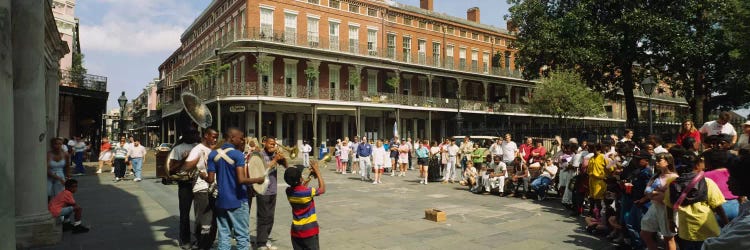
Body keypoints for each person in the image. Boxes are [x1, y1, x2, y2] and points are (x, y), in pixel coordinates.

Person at [207, 128, 265, 250]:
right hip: (238, 200)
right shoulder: (237, 154)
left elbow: (210, 180)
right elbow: (241, 180)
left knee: (223, 236)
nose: (243, 139)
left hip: (221, 201)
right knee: (242, 236)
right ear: (232, 138)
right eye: (241, 137)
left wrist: (203, 175)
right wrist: (258, 179)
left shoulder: (212, 154)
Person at [665, 154, 728, 250]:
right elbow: (717, 206)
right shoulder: (707, 182)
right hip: (707, 228)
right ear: (696, 165)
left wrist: (671, 221)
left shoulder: (672, 183)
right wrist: (727, 223)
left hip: (686, 230)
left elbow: (669, 205)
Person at [703, 150, 750, 250]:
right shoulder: (745, 207)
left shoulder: (746, 226)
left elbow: (715, 246)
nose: (728, 181)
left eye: (732, 177)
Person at [183, 128, 219, 250]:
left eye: (216, 137)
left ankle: (208, 243)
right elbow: (187, 166)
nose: (215, 139)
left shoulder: (213, 149)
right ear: (206, 136)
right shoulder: (197, 149)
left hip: (214, 188)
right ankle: (201, 243)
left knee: (213, 219)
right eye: (213, 137)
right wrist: (196, 160)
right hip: (201, 188)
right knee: (204, 219)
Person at [253, 136, 290, 250]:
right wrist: (274, 160)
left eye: (274, 144)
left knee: (270, 217)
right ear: (264, 143)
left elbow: (287, 167)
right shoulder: (259, 155)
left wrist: (283, 159)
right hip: (262, 190)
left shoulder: (275, 155)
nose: (273, 146)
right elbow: (263, 169)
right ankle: (260, 243)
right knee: (263, 217)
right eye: (270, 144)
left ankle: (265, 238)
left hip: (273, 189)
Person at [167, 130, 200, 249]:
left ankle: (199, 238)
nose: (196, 136)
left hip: (199, 183)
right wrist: (184, 159)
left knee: (201, 213)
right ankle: (185, 240)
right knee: (185, 214)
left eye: (196, 134)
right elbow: (170, 168)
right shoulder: (178, 149)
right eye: (193, 134)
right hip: (185, 183)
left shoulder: (199, 146)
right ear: (186, 135)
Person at [640, 153, 679, 250]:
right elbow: (646, 191)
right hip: (655, 207)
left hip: (666, 209)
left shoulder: (673, 177)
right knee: (645, 232)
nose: (656, 163)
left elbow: (666, 197)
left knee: (668, 238)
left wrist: (654, 193)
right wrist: (657, 192)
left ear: (668, 162)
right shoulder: (656, 175)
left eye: (659, 160)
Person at [284, 162, 326, 250]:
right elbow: (322, 189)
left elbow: (300, 189)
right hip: (309, 231)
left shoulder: (288, 191)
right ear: (300, 179)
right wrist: (317, 172)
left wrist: (309, 177)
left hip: (296, 231)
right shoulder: (307, 192)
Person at [704, 148, 743, 225]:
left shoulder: (706, 175)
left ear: (709, 162)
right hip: (737, 207)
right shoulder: (732, 171)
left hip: (719, 209)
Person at [587, 143, 608, 217]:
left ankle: (599, 214)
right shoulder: (592, 158)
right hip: (591, 180)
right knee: (592, 197)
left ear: (599, 149)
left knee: (598, 198)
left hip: (600, 181)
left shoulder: (603, 157)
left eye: (594, 148)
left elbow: (611, 168)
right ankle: (592, 211)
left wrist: (606, 177)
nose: (593, 149)